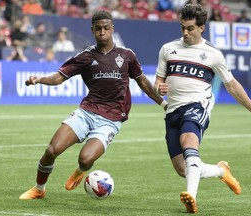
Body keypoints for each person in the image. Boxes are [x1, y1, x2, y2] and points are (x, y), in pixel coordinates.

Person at [19, 10, 167, 200]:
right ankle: (39, 189)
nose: (102, 32)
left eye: (106, 28)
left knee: (86, 159)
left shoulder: (127, 55)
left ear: (112, 28)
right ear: (92, 31)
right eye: (98, 29)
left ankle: (81, 170)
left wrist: (164, 104)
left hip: (111, 119)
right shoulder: (85, 56)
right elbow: (59, 77)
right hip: (86, 112)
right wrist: (39, 79)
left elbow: (144, 83)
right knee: (51, 150)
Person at [154, 4, 251, 213]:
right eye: (182, 28)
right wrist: (158, 86)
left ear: (201, 28)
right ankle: (220, 170)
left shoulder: (213, 54)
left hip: (198, 105)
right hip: (172, 111)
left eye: (190, 28)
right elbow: (159, 80)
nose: (185, 32)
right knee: (183, 169)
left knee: (188, 141)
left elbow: (232, 85)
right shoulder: (167, 49)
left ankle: (191, 198)